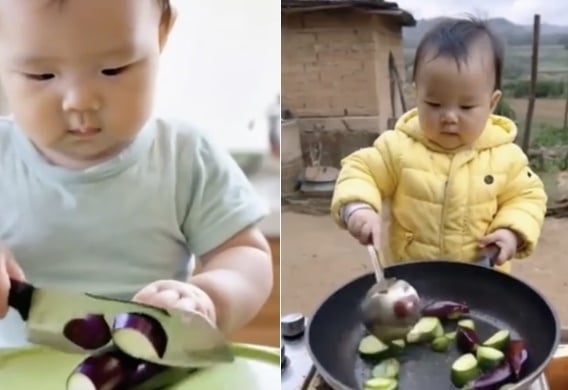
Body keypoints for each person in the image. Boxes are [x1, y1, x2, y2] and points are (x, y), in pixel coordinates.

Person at [0, 0, 273, 343]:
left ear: (161, 34)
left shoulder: (185, 155)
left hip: (153, 376)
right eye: (41, 75)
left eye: (114, 68)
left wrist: (210, 297)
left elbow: (245, 255)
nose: (80, 100)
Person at [330, 17, 547, 273]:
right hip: (413, 276)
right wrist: (358, 208)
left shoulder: (506, 157)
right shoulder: (398, 148)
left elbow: (527, 197)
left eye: (466, 107)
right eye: (434, 104)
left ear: (491, 103)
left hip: (483, 280)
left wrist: (511, 231)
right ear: (417, 96)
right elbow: (361, 170)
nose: (449, 117)